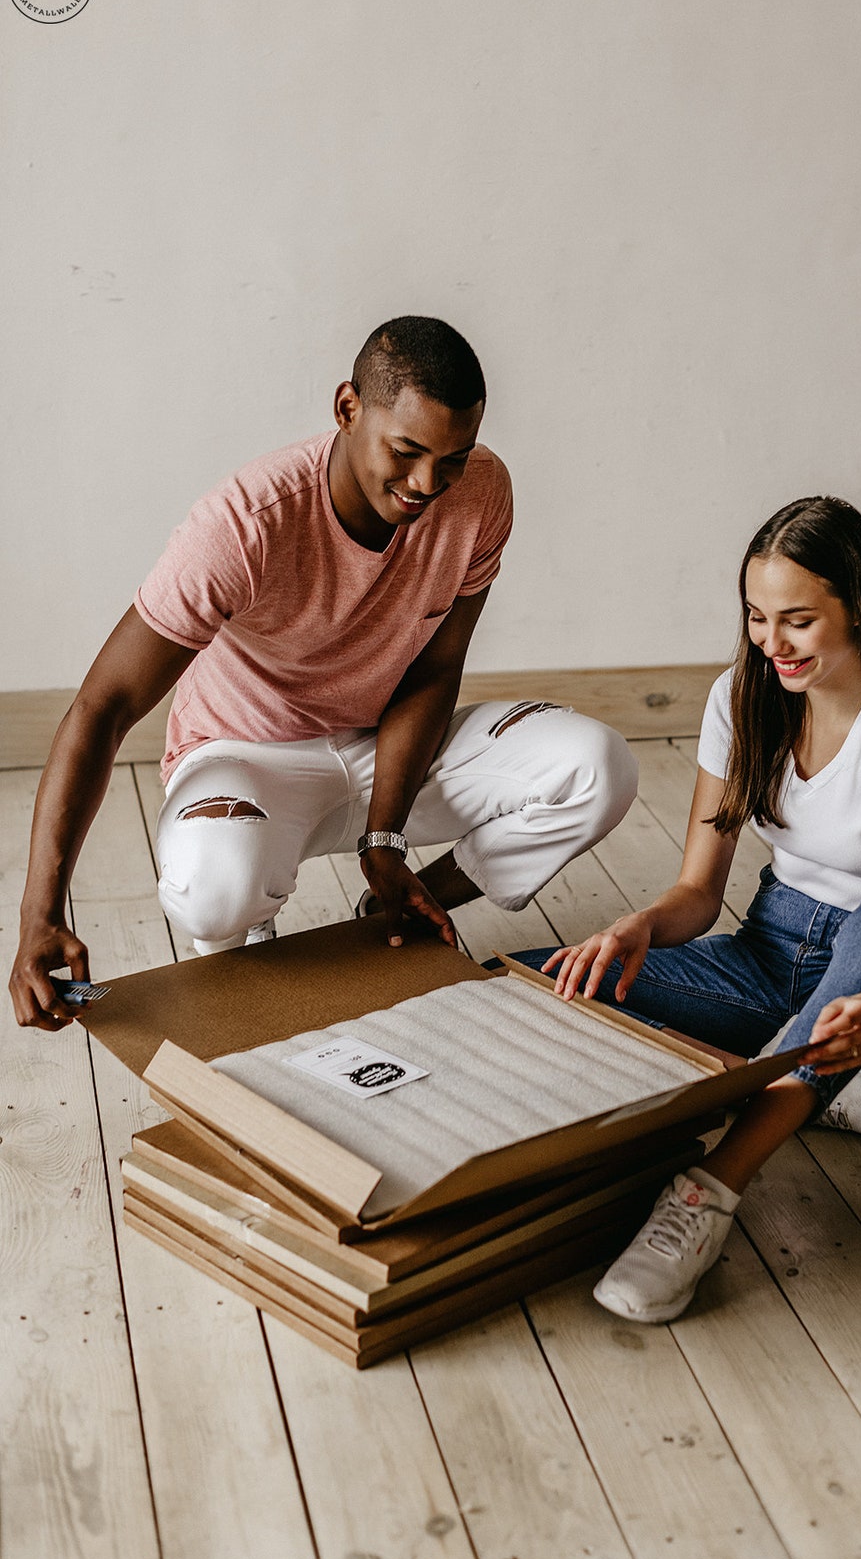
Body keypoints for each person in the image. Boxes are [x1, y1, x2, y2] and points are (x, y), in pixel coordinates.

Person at [10, 316, 637, 1032]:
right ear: (347, 408)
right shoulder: (243, 524)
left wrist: (384, 840)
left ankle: (388, 909)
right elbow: (103, 705)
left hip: (384, 747)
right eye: (406, 451)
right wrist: (39, 915)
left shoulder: (483, 490)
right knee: (213, 890)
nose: (428, 483)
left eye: (452, 457)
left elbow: (435, 672)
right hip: (249, 758)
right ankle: (240, 946)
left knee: (598, 767)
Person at [512, 496, 861, 1324]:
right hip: (768, 957)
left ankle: (709, 1190)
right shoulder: (740, 699)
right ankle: (814, 1073)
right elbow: (700, 893)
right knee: (539, 975)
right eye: (757, 616)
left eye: (799, 620)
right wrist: (636, 928)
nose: (772, 641)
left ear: (858, 608)